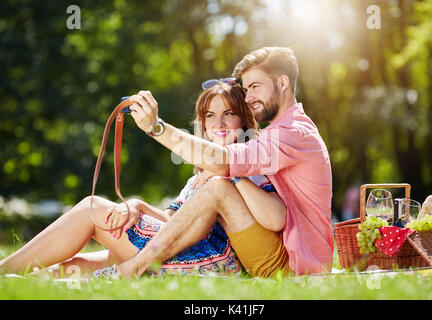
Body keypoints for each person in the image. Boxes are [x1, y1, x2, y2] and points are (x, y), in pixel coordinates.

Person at [0, 80, 286, 277]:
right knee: (80, 262)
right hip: (180, 245)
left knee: (94, 209)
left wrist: (232, 174)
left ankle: (4, 270)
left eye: (229, 114)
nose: (218, 124)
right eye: (210, 115)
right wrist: (138, 206)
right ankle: (19, 278)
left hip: (213, 258)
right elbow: (176, 222)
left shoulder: (250, 163)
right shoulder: (201, 172)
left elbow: (272, 219)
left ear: (244, 121)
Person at [117, 46, 333, 278]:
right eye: (246, 88)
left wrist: (155, 127)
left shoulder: (293, 132)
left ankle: (136, 267)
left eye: (255, 87)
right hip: (282, 255)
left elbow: (223, 162)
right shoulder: (280, 131)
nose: (248, 97)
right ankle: (120, 267)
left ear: (282, 83)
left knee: (219, 187)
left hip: (295, 266)